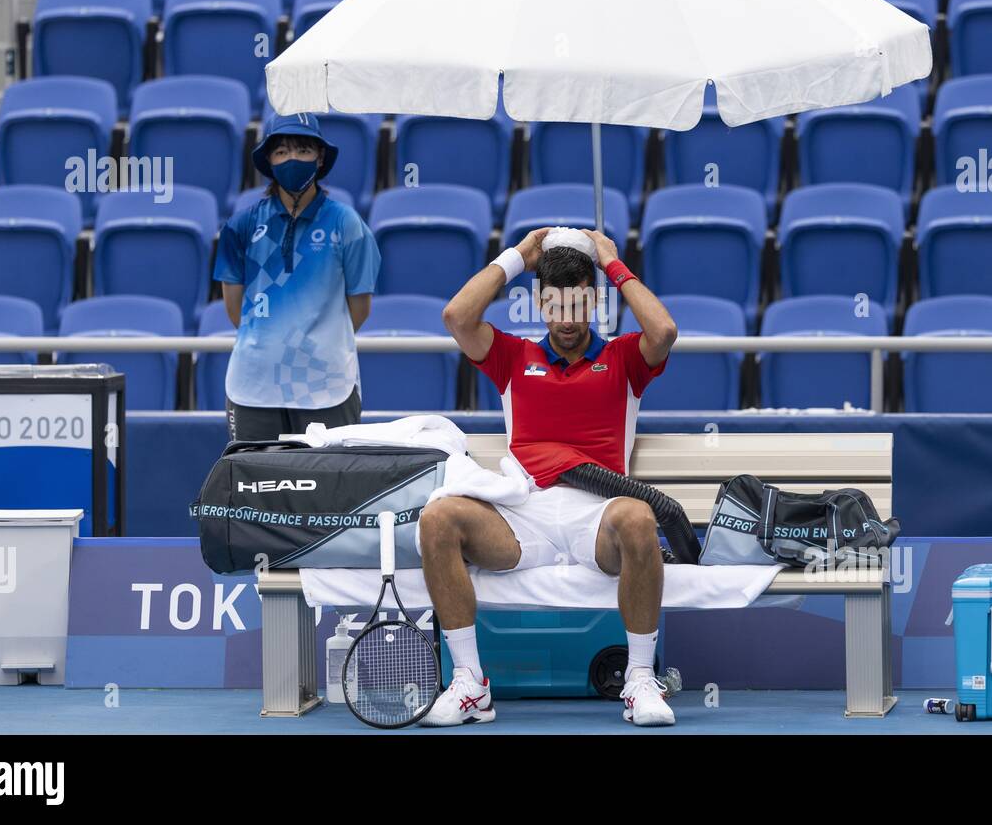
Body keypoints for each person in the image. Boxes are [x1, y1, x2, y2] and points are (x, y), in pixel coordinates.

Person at [418, 227, 678, 727]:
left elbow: (663, 331)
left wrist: (611, 263)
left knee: (640, 517)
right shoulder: (514, 356)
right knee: (437, 518)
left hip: (596, 518)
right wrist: (518, 256)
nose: (566, 318)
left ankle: (641, 680)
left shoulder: (623, 357)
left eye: (579, 304)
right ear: (540, 302)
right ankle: (470, 683)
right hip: (523, 516)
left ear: (594, 302)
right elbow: (456, 315)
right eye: (555, 304)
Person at [214, 112, 380, 440]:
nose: (292, 159)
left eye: (303, 150)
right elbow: (236, 311)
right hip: (254, 385)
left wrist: (316, 343)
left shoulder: (348, 225)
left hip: (327, 385)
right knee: (255, 488)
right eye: (282, 151)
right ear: (269, 161)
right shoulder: (240, 226)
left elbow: (359, 309)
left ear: (319, 158)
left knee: (331, 489)